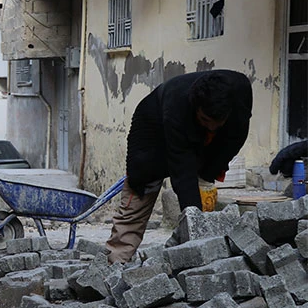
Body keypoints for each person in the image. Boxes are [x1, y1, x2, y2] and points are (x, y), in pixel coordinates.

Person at [104, 70, 253, 264]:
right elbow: (183, 173)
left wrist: (207, 175)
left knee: (202, 184)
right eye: (205, 121)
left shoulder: (239, 92)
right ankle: (115, 260)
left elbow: (235, 138)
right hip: (152, 128)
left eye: (217, 123)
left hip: (199, 135)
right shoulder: (177, 107)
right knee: (142, 182)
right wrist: (194, 223)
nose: (211, 127)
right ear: (196, 108)